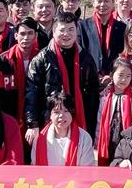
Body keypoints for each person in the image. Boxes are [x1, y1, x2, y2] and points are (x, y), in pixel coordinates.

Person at [25, 12, 101, 146]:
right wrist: (33, 123)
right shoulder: (42, 58)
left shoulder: (85, 57)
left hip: (79, 118)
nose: (66, 34)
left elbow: (93, 93)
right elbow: (32, 92)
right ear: (54, 31)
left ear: (76, 31)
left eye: (71, 29)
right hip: (50, 118)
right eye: (62, 30)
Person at [96, 58, 132, 164]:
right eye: (120, 75)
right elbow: (100, 121)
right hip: (108, 138)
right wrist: (97, 142)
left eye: (128, 76)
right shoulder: (105, 97)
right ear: (112, 75)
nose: (124, 80)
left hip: (126, 140)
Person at [0, 17, 40, 132]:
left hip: (36, 118)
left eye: (30, 33)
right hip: (9, 117)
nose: (26, 37)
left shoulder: (42, 58)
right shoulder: (4, 59)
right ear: (16, 36)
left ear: (35, 35)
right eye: (22, 34)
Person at [78, 0, 126, 74]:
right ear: (93, 2)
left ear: (113, 2)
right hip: (89, 77)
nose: (103, 4)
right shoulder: (82, 26)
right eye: (99, 1)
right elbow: (78, 55)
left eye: (107, 0)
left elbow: (124, 56)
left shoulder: (122, 28)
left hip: (114, 78)